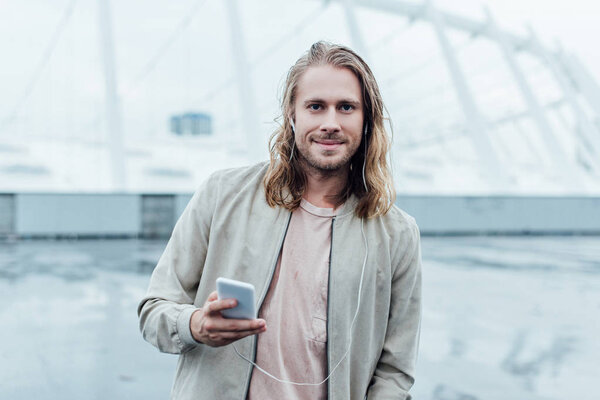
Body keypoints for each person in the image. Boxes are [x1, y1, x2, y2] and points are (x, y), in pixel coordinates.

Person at [138, 41, 422, 400]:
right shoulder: (222, 195)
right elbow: (153, 311)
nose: (330, 123)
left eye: (346, 107)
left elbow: (395, 371)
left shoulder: (397, 235)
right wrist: (195, 325)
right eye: (316, 106)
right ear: (292, 113)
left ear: (366, 119)